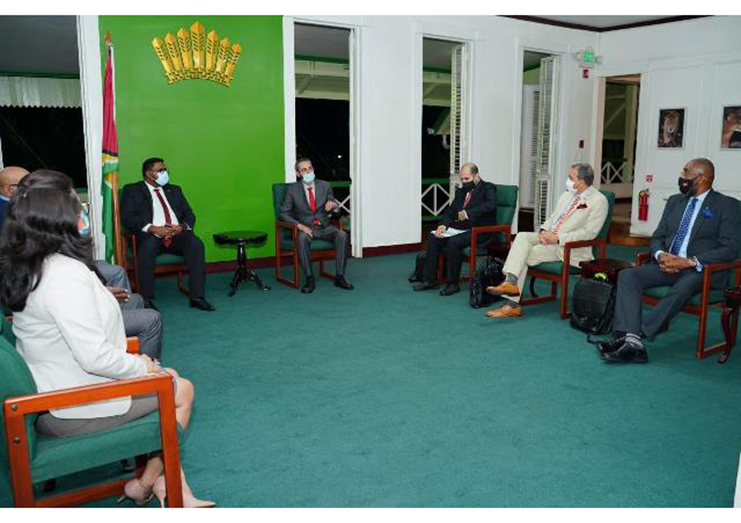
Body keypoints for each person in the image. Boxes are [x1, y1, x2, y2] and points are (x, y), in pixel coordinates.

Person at [0, 174, 213, 507]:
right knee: (180, 389)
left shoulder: (35, 263)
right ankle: (154, 483)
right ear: (59, 215)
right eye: (76, 202)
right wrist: (142, 365)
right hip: (72, 404)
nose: (82, 209)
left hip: (58, 387)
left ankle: (156, 484)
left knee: (164, 378)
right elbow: (94, 357)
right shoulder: (63, 276)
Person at [598, 158, 741, 363]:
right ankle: (629, 337)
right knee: (629, 276)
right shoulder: (675, 201)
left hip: (702, 270)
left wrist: (690, 261)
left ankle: (635, 338)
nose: (681, 177)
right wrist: (660, 255)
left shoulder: (726, 205)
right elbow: (657, 237)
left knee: (685, 285)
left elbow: (731, 248)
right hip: (667, 264)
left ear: (701, 178)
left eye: (686, 172)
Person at [16, 170, 164, 361]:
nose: (83, 213)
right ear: (56, 218)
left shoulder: (39, 254)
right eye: (77, 207)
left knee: (134, 300)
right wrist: (144, 368)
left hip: (66, 347)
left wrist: (100, 293)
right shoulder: (63, 272)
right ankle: (147, 379)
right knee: (152, 319)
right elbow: (95, 357)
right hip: (77, 378)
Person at [485, 163, 608, 318]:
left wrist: (557, 238)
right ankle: (511, 284)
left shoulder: (599, 200)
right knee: (522, 236)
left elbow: (590, 233)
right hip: (549, 239)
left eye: (571, 177)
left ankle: (512, 304)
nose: (567, 180)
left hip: (569, 248)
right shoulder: (566, 196)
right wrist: (543, 231)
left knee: (521, 255)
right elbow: (553, 218)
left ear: (581, 181)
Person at [120, 158, 214, 311]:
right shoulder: (133, 190)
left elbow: (190, 215)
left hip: (176, 234)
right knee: (147, 246)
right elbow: (127, 217)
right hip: (151, 235)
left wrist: (181, 227)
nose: (165, 174)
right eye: (160, 170)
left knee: (196, 244)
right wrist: (153, 228)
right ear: (149, 173)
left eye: (165, 170)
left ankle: (197, 297)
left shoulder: (174, 190)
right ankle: (146, 299)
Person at [413, 163, 496, 296]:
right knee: (434, 237)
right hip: (461, 229)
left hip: (480, 231)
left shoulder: (488, 188)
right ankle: (430, 280)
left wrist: (468, 213)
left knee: (454, 242)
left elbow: (490, 205)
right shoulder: (461, 191)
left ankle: (453, 284)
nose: (464, 182)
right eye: (462, 179)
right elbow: (450, 211)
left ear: (477, 177)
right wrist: (443, 225)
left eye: (467, 179)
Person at [278, 157, 353, 293]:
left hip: (325, 228)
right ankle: (309, 278)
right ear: (298, 174)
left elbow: (336, 210)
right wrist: (299, 226)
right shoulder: (292, 190)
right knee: (301, 238)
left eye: (310, 168)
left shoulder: (325, 185)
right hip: (305, 229)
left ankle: (340, 276)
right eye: (304, 170)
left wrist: (334, 206)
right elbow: (283, 213)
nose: (308, 172)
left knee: (342, 235)